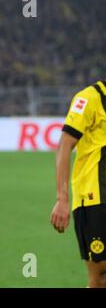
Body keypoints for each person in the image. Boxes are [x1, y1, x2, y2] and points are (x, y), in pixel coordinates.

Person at [51, 80, 106, 287]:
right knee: (101, 278)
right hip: (96, 199)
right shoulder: (90, 97)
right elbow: (65, 144)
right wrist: (62, 198)